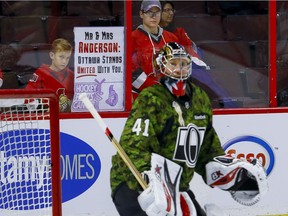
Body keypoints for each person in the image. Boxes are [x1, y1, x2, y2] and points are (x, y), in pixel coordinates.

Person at [110, 42, 268, 216]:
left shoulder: (200, 98)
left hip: (176, 186)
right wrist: (149, 179)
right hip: (134, 184)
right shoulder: (151, 99)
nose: (180, 69)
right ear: (162, 66)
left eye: (184, 63)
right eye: (174, 63)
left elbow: (207, 148)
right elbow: (134, 146)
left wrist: (232, 175)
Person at [131, 0, 180, 99]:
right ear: (141, 14)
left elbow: (179, 68)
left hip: (169, 96)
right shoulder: (132, 38)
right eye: (149, 12)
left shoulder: (172, 38)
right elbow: (132, 73)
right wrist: (156, 89)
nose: (153, 16)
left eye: (157, 12)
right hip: (142, 97)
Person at [25, 38, 74, 112]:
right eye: (61, 57)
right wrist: (42, 109)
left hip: (68, 118)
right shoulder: (40, 74)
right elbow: (29, 97)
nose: (64, 61)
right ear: (52, 55)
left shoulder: (71, 75)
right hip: (47, 119)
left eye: (67, 58)